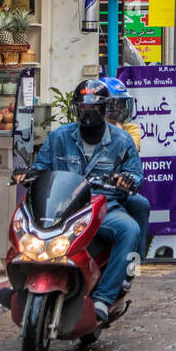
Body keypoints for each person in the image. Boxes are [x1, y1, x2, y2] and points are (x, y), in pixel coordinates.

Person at [19, 79, 143, 323]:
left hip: (103, 208)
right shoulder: (58, 137)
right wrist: (27, 174)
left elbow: (136, 175)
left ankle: (104, 299)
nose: (87, 113)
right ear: (76, 109)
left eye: (93, 108)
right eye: (82, 108)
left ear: (105, 108)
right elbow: (41, 167)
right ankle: (19, 284)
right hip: (62, 208)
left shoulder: (122, 140)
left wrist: (127, 180)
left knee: (129, 229)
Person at [101, 75, 150, 261]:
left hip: (119, 188)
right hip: (91, 188)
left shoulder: (130, 129)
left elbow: (133, 148)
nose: (120, 108)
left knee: (140, 204)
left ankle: (135, 261)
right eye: (116, 104)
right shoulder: (88, 129)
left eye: (122, 104)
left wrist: (117, 123)